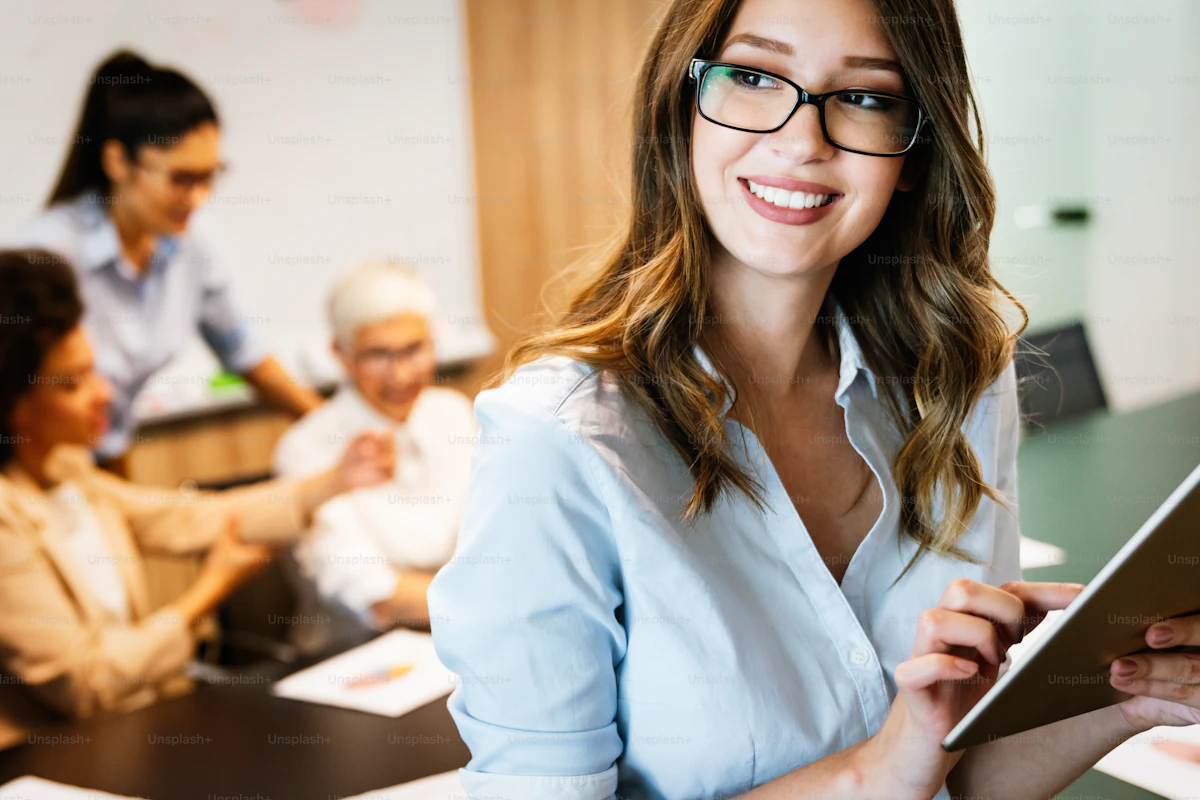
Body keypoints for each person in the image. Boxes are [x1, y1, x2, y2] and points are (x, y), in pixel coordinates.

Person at [426, 0, 1200, 798]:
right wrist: (881, 767)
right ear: (682, 105)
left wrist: (1137, 692)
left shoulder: (959, 384)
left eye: (865, 97)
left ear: (915, 147)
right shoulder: (556, 441)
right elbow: (900, 774)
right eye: (756, 77)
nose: (802, 143)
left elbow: (956, 779)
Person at [0, 249, 394, 748]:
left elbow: (184, 518)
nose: (103, 394)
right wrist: (207, 591)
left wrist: (336, 480)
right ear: (14, 404)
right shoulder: (7, 514)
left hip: (131, 730)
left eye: (94, 371)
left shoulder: (66, 470)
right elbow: (88, 683)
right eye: (73, 383)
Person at [11, 49, 323, 466]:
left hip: (110, 454)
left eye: (209, 177)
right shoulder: (48, 256)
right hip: (44, 465)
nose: (198, 197)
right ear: (118, 161)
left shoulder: (192, 244)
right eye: (181, 179)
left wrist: (329, 426)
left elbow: (246, 353)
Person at [272, 260, 477, 654]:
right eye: (378, 355)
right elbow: (374, 594)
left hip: (465, 640)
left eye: (414, 349)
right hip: (355, 657)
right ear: (341, 354)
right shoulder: (306, 450)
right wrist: (495, 603)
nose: (400, 375)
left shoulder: (453, 413)